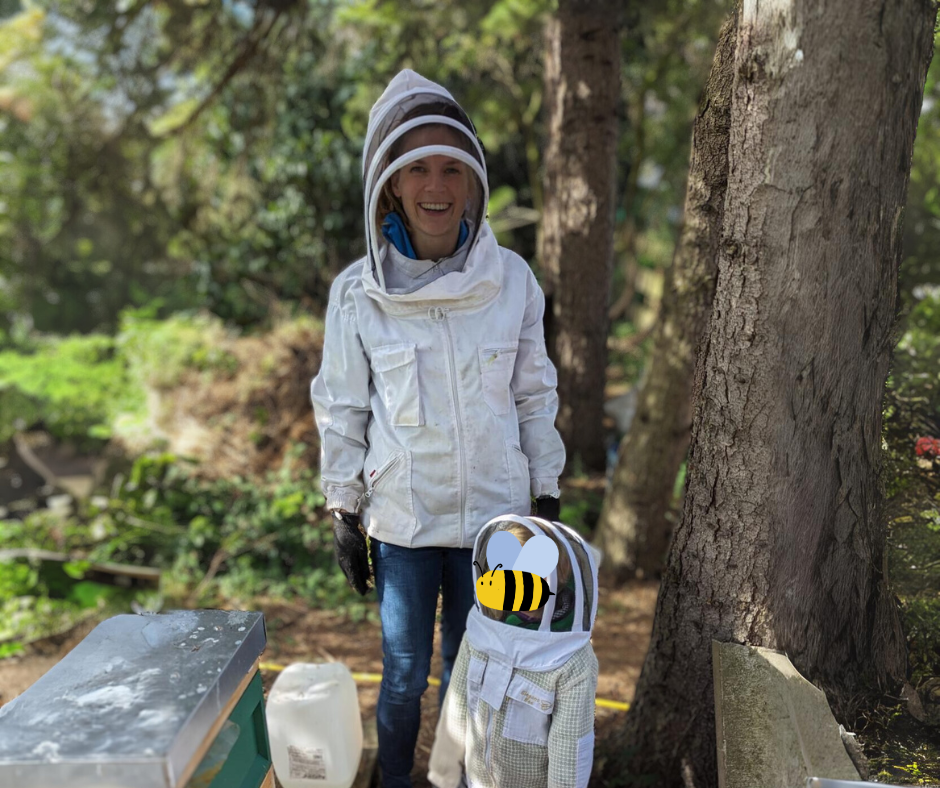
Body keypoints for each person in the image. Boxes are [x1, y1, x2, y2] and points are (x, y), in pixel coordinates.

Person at [310, 69, 566, 788]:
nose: (436, 185)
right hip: (405, 520)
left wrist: (545, 491)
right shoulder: (356, 295)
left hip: (494, 522)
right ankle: (393, 780)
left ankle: (455, 781)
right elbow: (343, 407)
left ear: (473, 180)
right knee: (401, 674)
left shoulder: (512, 280)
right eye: (418, 167)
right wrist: (343, 507)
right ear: (390, 184)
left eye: (451, 168)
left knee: (471, 669)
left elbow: (533, 393)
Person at [427, 515, 599, 788]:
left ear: (555, 573)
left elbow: (570, 749)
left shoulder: (572, 661)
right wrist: (444, 776)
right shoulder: (481, 633)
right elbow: (456, 709)